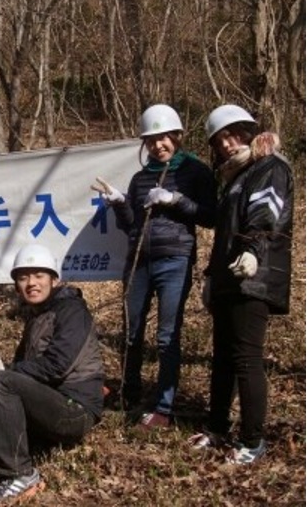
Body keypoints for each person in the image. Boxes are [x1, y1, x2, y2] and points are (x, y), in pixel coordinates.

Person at [0, 244, 104, 504]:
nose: (31, 283)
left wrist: (2, 372)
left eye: (39, 276)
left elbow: (56, 366)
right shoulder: (37, 316)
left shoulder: (72, 311)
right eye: (23, 277)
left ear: (54, 279)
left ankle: (21, 474)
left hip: (75, 410)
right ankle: (27, 447)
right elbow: (22, 374)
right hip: (49, 403)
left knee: (1, 383)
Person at [93, 104, 216, 427]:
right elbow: (132, 224)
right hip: (138, 261)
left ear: (177, 136)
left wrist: (177, 201)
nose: (158, 145)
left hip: (175, 259)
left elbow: (211, 216)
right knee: (132, 332)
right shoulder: (140, 177)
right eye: (151, 140)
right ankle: (129, 393)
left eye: (164, 138)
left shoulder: (195, 171)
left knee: (166, 336)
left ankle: (164, 406)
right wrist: (120, 204)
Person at [189, 104, 292, 465]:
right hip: (228, 277)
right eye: (220, 141)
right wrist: (209, 277)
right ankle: (217, 428)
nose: (228, 145)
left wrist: (252, 252)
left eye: (234, 135)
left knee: (246, 358)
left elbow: (266, 214)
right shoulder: (232, 179)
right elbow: (222, 235)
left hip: (255, 276)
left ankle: (252, 440)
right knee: (222, 357)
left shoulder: (270, 167)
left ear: (249, 132)